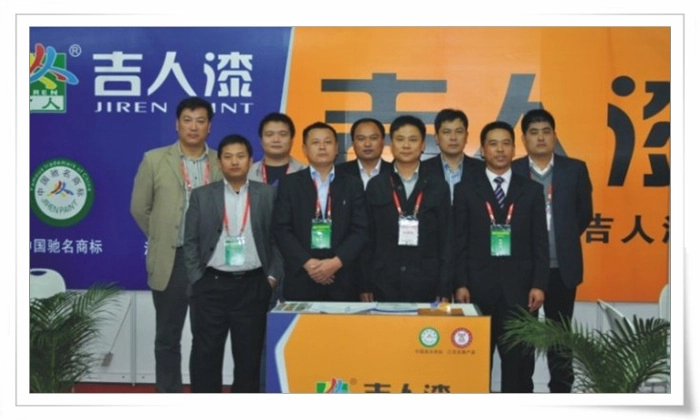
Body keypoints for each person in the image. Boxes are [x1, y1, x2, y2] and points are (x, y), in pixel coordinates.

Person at [130, 96, 222, 393]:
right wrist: (163, 238)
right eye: (187, 120)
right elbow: (139, 208)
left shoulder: (221, 161)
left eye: (200, 121)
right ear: (177, 124)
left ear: (209, 127)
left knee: (206, 335)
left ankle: (203, 394)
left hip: (210, 263)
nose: (193, 127)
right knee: (168, 337)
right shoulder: (154, 159)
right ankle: (168, 397)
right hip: (173, 261)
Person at [453, 120, 549, 393]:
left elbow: (540, 242)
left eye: (506, 144)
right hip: (476, 289)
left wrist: (539, 284)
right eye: (493, 144)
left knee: (518, 365)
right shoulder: (466, 189)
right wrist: (460, 282)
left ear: (514, 149)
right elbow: (458, 241)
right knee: (474, 362)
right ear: (483, 150)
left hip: (520, 291)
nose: (499, 150)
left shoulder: (531, 190)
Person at [183, 134, 283, 393]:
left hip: (253, 285)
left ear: (250, 160)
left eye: (240, 156)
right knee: (205, 355)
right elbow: (190, 241)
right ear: (219, 162)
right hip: (211, 286)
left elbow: (278, 240)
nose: (234, 162)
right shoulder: (202, 196)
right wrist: (198, 279)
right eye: (228, 157)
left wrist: (272, 278)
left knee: (249, 358)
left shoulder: (267, 194)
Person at [512, 108, 593, 393]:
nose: (541, 138)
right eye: (534, 133)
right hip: (524, 269)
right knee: (525, 337)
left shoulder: (575, 170)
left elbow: (583, 214)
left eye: (546, 132)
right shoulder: (513, 170)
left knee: (560, 337)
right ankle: (522, 393)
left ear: (555, 136)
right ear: (524, 139)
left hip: (562, 268)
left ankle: (561, 394)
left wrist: (562, 238)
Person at [272, 122, 368, 301]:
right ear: (304, 149)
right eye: (316, 142)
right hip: (302, 277)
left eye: (328, 142)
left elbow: (360, 230)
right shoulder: (289, 184)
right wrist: (308, 264)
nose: (322, 147)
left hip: (343, 277)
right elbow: (281, 229)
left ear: (336, 148)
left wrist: (335, 263)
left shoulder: (352, 184)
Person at [363, 115, 454, 303]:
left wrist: (444, 286)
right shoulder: (376, 185)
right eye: (400, 139)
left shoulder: (438, 185)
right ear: (391, 145)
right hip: (383, 281)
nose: (406, 145)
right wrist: (365, 284)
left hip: (427, 282)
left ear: (423, 145)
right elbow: (367, 238)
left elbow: (446, 239)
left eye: (413, 140)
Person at [421, 108, 484, 201]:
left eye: (459, 132)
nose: (453, 138)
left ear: (466, 136)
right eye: (447, 132)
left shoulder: (482, 169)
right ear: (436, 138)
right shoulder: (422, 170)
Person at [248, 112, 306, 187]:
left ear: (291, 140)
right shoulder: (247, 173)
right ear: (261, 140)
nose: (276, 140)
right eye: (269, 134)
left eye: (283, 134)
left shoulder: (307, 173)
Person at [335, 117, 393, 189]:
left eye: (373, 138)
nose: (367, 144)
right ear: (353, 143)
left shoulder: (395, 172)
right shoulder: (338, 173)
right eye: (361, 139)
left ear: (383, 141)